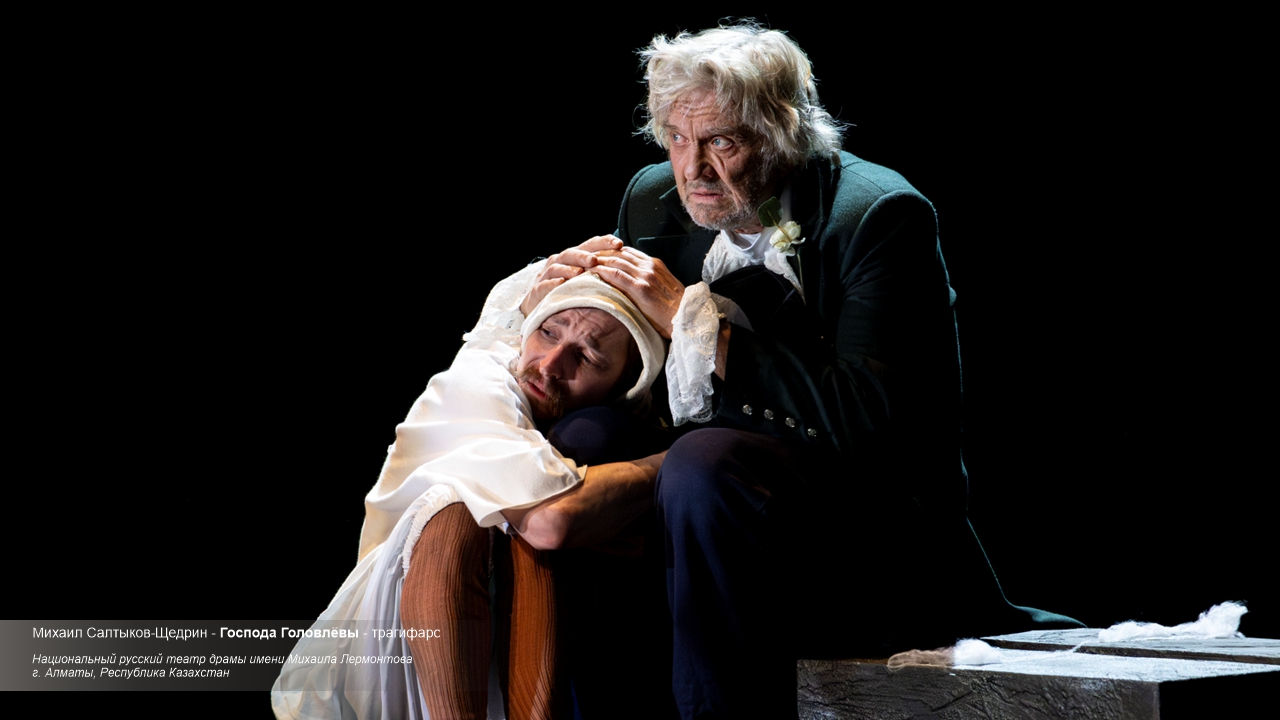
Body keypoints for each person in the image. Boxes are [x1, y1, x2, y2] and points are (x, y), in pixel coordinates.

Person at [526, 23, 1080, 720]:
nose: (693, 170)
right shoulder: (652, 196)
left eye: (721, 142)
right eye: (676, 138)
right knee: (588, 436)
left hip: (856, 510)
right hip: (702, 496)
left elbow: (870, 417)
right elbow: (630, 357)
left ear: (781, 134)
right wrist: (556, 297)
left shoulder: (877, 215)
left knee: (702, 462)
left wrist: (692, 321)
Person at [271, 268, 666, 720]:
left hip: (497, 626)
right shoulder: (482, 376)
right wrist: (667, 464)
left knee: (514, 525)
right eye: (547, 332)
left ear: (625, 387)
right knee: (460, 509)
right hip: (392, 627)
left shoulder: (601, 427)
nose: (550, 364)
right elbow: (552, 519)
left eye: (587, 357)